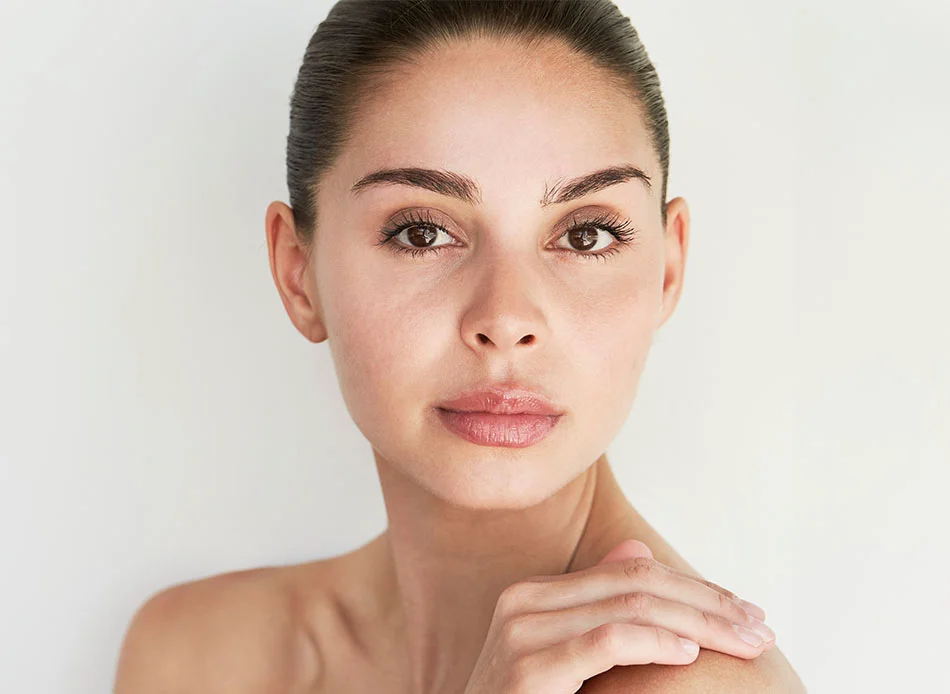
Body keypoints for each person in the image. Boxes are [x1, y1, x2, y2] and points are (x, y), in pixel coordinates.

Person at [114, 1, 806, 692]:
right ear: (299, 272)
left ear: (667, 270)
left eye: (585, 235)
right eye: (422, 233)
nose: (505, 318)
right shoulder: (189, 654)